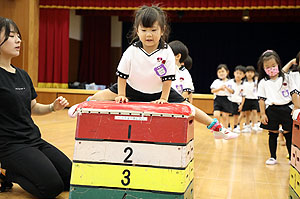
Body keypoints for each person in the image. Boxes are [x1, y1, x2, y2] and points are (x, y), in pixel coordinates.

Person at [76, 5, 238, 140]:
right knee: (100, 96)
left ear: (162, 30)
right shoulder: (131, 50)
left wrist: (163, 98)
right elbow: (122, 75)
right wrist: (121, 94)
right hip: (131, 89)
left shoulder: (167, 51)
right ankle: (81, 106)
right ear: (137, 30)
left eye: (153, 30)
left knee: (190, 109)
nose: (148, 34)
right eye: (144, 30)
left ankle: (217, 129)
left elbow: (167, 79)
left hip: (159, 92)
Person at [0, 17, 72, 198]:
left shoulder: (22, 75)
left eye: (19, 36)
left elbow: (32, 108)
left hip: (33, 140)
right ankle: (7, 172)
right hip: (10, 146)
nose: (18, 40)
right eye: (11, 36)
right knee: (51, 187)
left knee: (71, 177)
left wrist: (52, 107)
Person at [257, 50, 300, 165]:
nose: (271, 69)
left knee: (288, 133)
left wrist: (296, 107)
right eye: (267, 67)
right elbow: (261, 99)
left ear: (278, 65)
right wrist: (262, 114)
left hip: (287, 109)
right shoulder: (262, 82)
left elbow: (294, 93)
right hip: (272, 110)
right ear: (263, 68)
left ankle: (292, 158)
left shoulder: (286, 77)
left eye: (273, 66)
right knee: (272, 133)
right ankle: (272, 157)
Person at [210, 64, 234, 129]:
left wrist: (227, 88)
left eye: (223, 71)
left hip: (226, 99)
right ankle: (218, 128)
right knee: (216, 115)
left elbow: (232, 91)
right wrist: (219, 89)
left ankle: (225, 130)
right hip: (218, 99)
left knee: (225, 116)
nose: (221, 73)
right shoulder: (216, 81)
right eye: (219, 72)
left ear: (227, 72)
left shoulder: (231, 81)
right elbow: (212, 90)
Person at [240, 66, 261, 132]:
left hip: (254, 99)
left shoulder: (256, 82)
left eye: (251, 72)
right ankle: (247, 126)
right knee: (247, 113)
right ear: (245, 73)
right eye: (248, 72)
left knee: (255, 112)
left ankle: (255, 125)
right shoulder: (243, 82)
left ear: (254, 73)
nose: (250, 74)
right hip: (246, 99)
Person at [228, 65, 246, 133]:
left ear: (243, 75)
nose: (238, 75)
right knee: (227, 114)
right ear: (234, 73)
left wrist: (241, 105)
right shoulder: (230, 82)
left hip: (237, 102)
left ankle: (236, 126)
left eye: (240, 73)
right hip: (229, 100)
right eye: (237, 73)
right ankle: (228, 126)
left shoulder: (244, 85)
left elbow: (243, 96)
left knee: (236, 115)